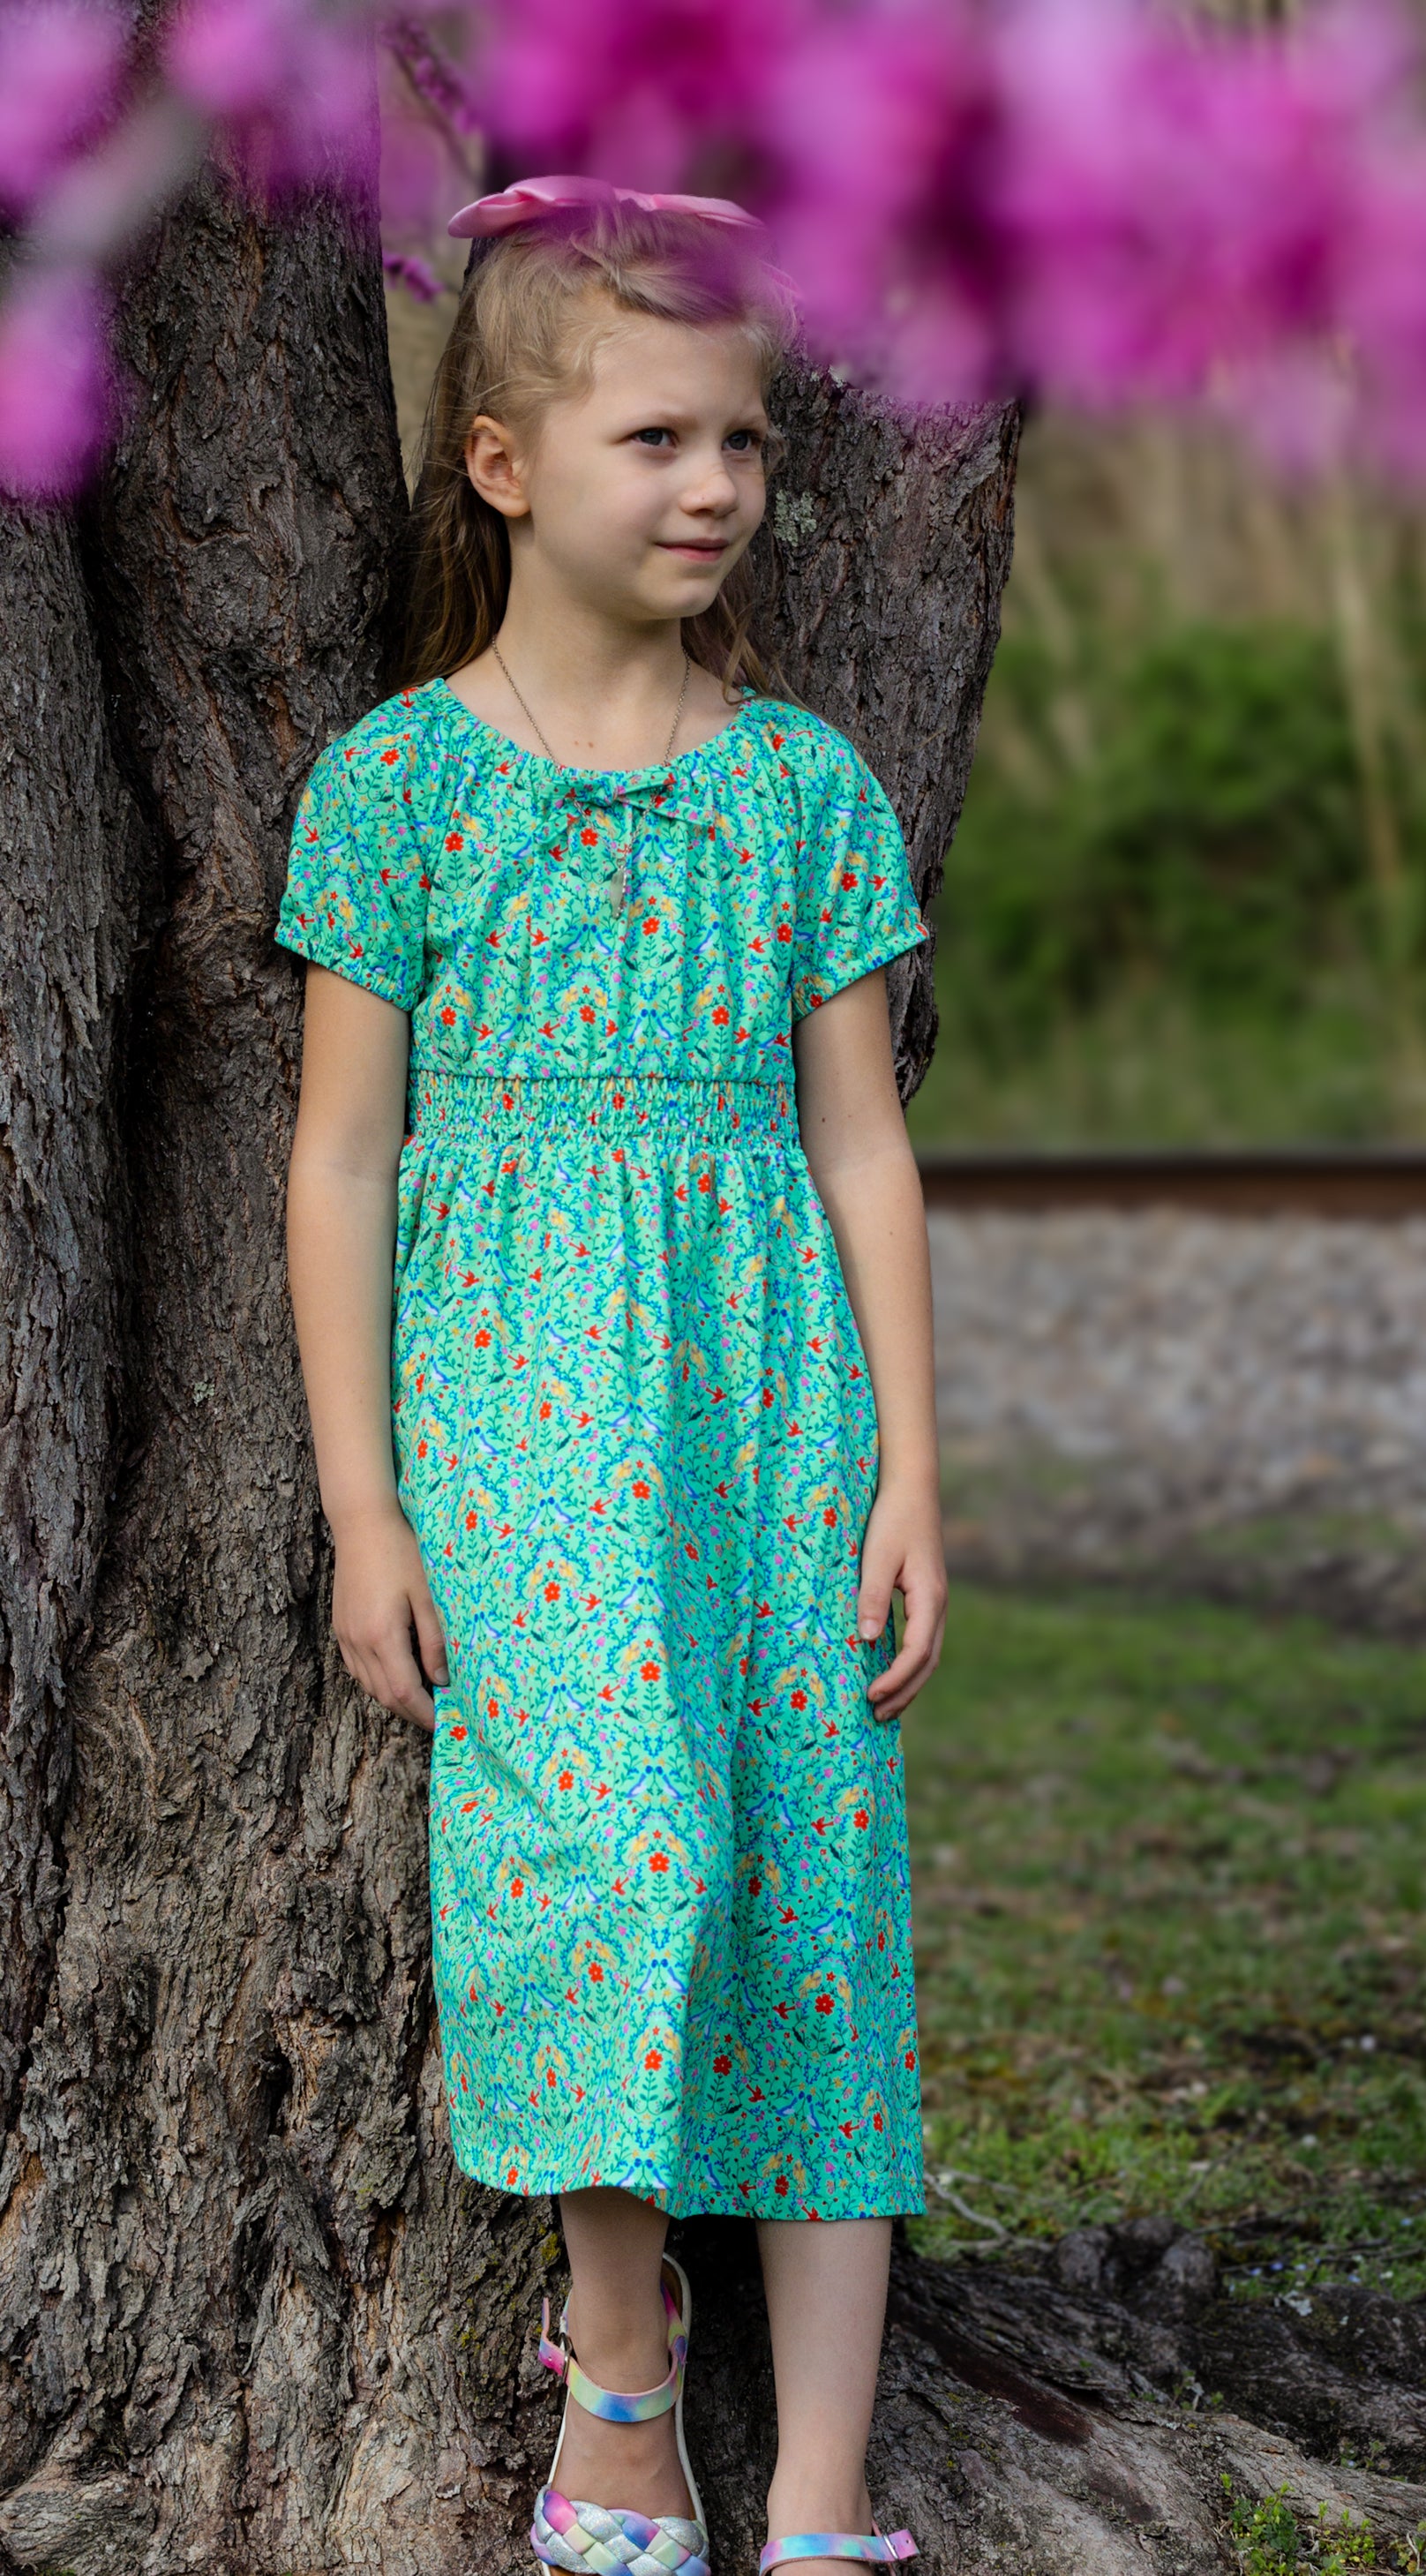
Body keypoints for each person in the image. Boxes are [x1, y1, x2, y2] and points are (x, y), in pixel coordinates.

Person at [274, 175, 946, 2576]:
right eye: (653, 436)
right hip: (517, 1415)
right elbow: (341, 1166)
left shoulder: (802, 795)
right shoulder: (399, 788)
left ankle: (836, 2494)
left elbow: (861, 1147)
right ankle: (626, 2362)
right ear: (499, 467)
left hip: (775, 1411)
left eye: (744, 444)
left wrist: (913, 1475)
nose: (710, 488)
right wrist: (364, 1507)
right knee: (608, 1859)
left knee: (812, 1885)